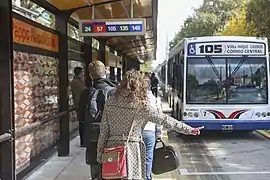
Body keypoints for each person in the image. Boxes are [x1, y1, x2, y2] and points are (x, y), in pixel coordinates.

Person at [97, 69, 204, 180]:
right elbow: (165, 120)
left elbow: (104, 130)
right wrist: (188, 129)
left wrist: (100, 155)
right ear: (140, 86)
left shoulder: (109, 102)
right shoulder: (142, 106)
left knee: (112, 176)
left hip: (112, 150)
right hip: (132, 150)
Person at [78, 61, 116, 180]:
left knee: (95, 168)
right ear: (105, 72)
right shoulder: (114, 91)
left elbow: (80, 117)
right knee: (112, 169)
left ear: (90, 75)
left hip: (93, 136)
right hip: (111, 136)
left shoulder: (86, 93)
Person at [142, 76, 163, 180]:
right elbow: (159, 118)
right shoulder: (155, 99)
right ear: (150, 86)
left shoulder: (135, 98)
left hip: (137, 132)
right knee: (148, 157)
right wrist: (159, 133)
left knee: (136, 156)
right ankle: (147, 177)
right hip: (150, 131)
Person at [70, 67, 86, 147]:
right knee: (82, 123)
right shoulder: (76, 82)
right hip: (80, 105)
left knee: (83, 123)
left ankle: (84, 141)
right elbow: (83, 91)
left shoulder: (77, 81)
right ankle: (83, 142)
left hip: (80, 105)